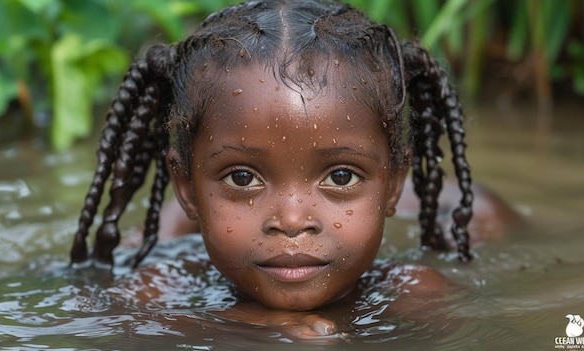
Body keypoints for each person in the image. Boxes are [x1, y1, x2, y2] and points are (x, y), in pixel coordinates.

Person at [68, 0, 520, 338]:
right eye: (242, 176)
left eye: (340, 176)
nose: (290, 220)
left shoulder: (414, 291)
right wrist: (248, 325)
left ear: (393, 185)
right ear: (184, 185)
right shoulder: (168, 281)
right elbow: (95, 320)